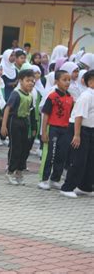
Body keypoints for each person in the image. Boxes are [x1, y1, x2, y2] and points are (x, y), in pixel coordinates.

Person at [37, 70, 74, 191]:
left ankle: (55, 179)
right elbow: (46, 115)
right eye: (64, 80)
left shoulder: (70, 97)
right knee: (50, 155)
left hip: (65, 129)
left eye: (69, 80)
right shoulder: (52, 96)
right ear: (56, 81)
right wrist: (44, 132)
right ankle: (44, 179)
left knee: (61, 155)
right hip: (53, 128)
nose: (67, 82)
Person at [60, 70, 94, 198]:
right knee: (78, 160)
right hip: (79, 129)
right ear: (90, 82)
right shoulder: (86, 96)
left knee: (90, 160)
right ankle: (67, 187)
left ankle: (85, 186)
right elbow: (79, 116)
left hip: (91, 130)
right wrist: (77, 135)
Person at [1, 69, 37, 186]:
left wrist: (33, 128)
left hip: (24, 123)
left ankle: (19, 172)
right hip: (14, 121)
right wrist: (3, 126)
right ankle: (10, 171)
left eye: (32, 81)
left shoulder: (30, 96)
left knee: (25, 148)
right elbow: (7, 108)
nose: (30, 83)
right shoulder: (16, 94)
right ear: (21, 81)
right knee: (16, 147)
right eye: (28, 80)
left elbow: (31, 112)